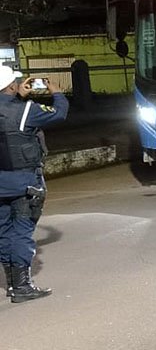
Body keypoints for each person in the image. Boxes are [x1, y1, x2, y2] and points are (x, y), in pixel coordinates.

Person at [0, 68, 68, 303]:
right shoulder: (27, 110)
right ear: (11, 86)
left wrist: (18, 97)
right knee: (21, 232)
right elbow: (59, 113)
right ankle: (22, 287)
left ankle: (12, 284)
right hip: (23, 183)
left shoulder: (20, 107)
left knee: (4, 232)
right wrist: (56, 92)